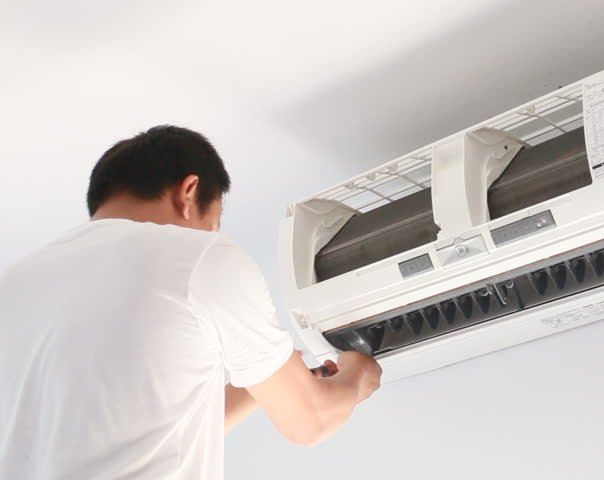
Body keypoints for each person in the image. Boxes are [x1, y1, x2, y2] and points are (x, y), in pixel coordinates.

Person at [0, 125, 382, 479]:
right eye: (213, 222)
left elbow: (141, 437)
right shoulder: (199, 256)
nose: (211, 234)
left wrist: (264, 381)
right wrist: (358, 376)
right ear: (189, 192)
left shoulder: (14, 283)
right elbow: (310, 421)